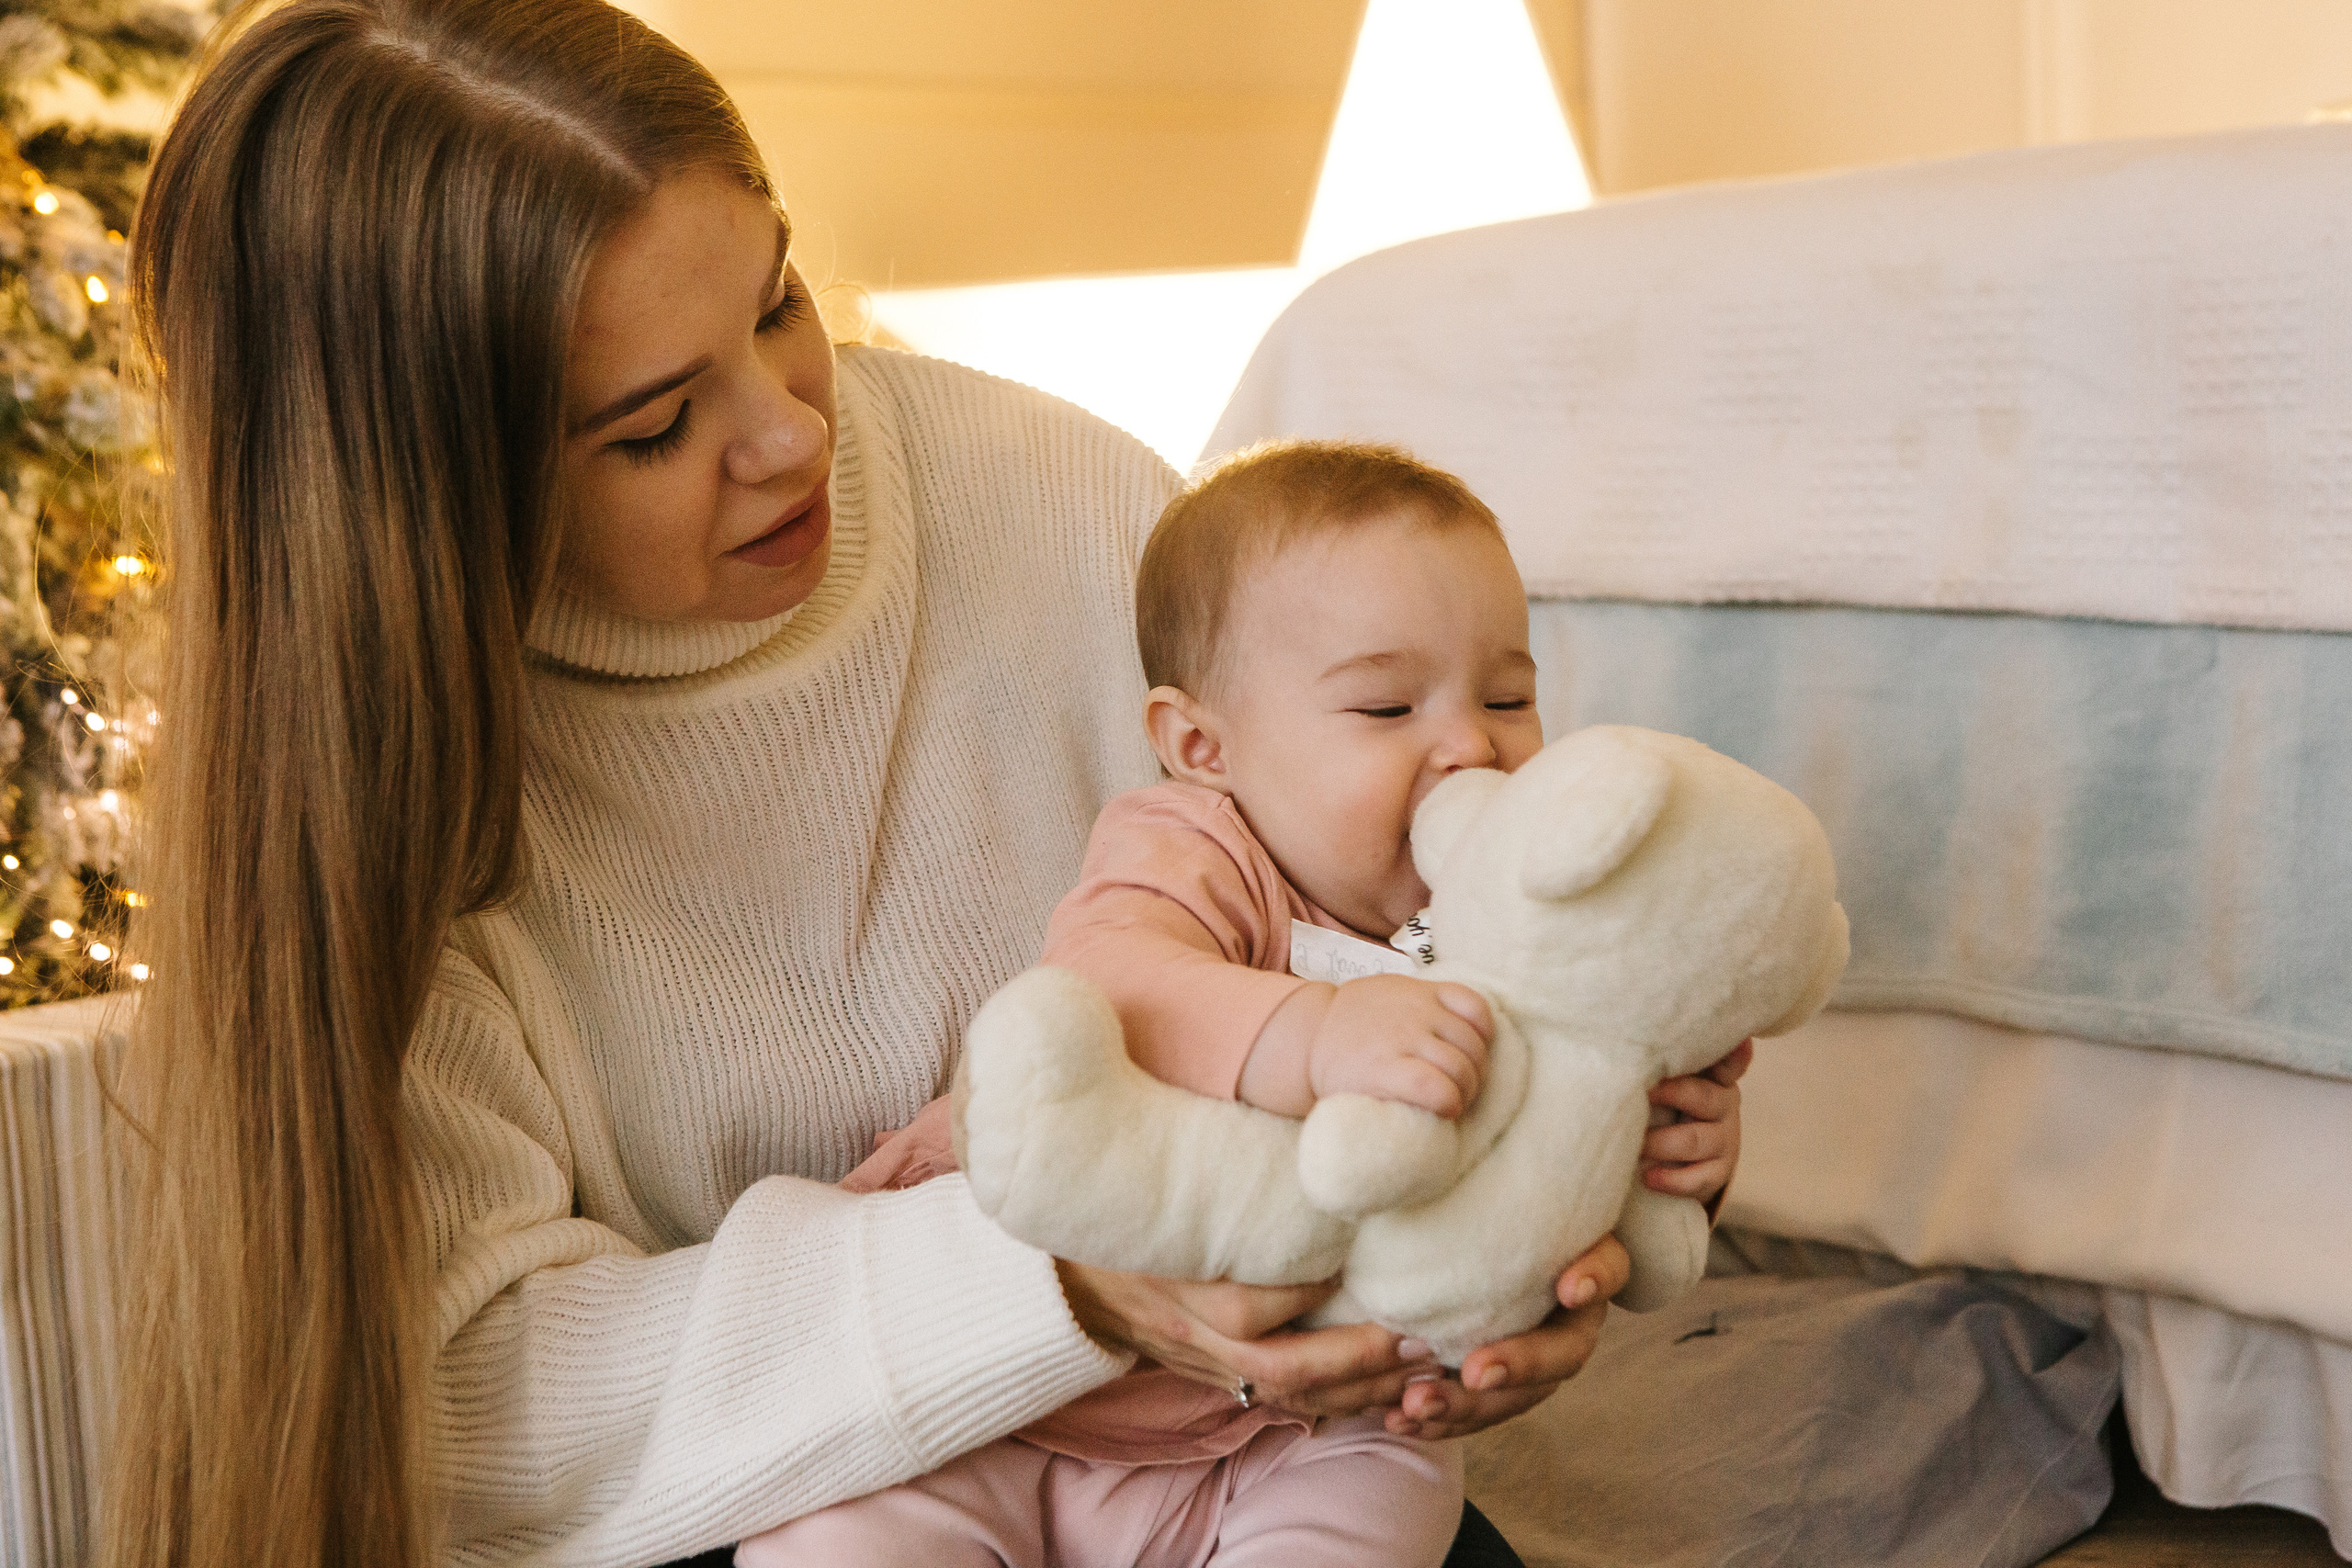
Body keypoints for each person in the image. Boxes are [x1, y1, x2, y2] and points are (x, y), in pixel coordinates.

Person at [102, 5, 1638, 1565]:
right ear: (439, 492)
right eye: (655, 427)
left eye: (777, 306)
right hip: (770, 1512)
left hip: (1226, 1450)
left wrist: (1599, 1099)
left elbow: (1391, 904)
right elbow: (483, 1409)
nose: (790, 431)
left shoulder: (1065, 501)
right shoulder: (383, 797)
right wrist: (1061, 1275)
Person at [741, 442, 1749, 1565]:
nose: (1469, 745)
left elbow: (1565, 1133)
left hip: (1299, 1429)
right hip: (1013, 1409)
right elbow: (1109, 985)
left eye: (1508, 697)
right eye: (1383, 706)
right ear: (1202, 746)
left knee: (1393, 1496)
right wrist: (1316, 1035)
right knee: (844, 1531)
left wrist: (1670, 1159)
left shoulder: (1514, 920)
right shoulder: (1199, 846)